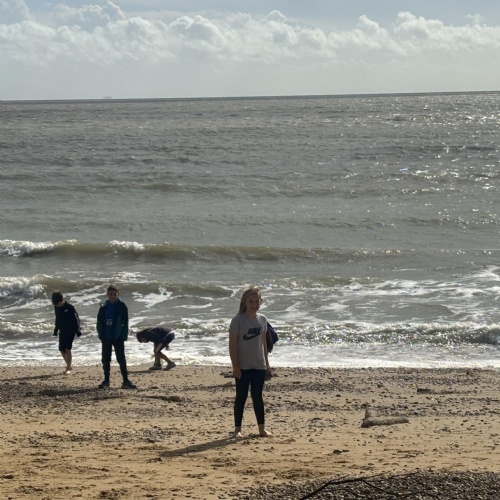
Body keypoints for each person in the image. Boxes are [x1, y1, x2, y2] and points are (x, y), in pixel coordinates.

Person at [229, 285, 273, 438]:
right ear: (245, 302)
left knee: (257, 397)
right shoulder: (237, 320)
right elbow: (232, 345)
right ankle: (237, 429)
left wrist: (267, 364)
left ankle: (262, 429)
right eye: (251, 301)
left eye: (256, 301)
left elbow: (264, 343)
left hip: (259, 365)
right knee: (241, 397)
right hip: (242, 366)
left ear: (261, 301)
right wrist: (235, 366)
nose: (254, 304)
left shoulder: (262, 319)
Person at [96, 284, 136, 389]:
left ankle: (126, 380)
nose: (113, 296)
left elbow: (125, 322)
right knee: (105, 359)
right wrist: (100, 333)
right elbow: (99, 321)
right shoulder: (103, 306)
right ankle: (106, 380)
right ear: (107, 294)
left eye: (115, 294)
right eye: (111, 294)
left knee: (121, 358)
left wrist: (124, 335)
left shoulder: (122, 306)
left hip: (118, 336)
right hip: (106, 336)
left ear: (118, 294)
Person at [51, 290, 82, 375]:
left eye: (58, 304)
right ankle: (69, 365)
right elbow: (57, 319)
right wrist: (56, 329)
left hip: (71, 330)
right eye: (55, 304)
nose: (57, 306)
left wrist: (78, 330)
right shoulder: (56, 306)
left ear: (61, 300)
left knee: (67, 348)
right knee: (61, 349)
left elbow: (77, 319)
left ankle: (68, 367)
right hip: (62, 330)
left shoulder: (70, 307)